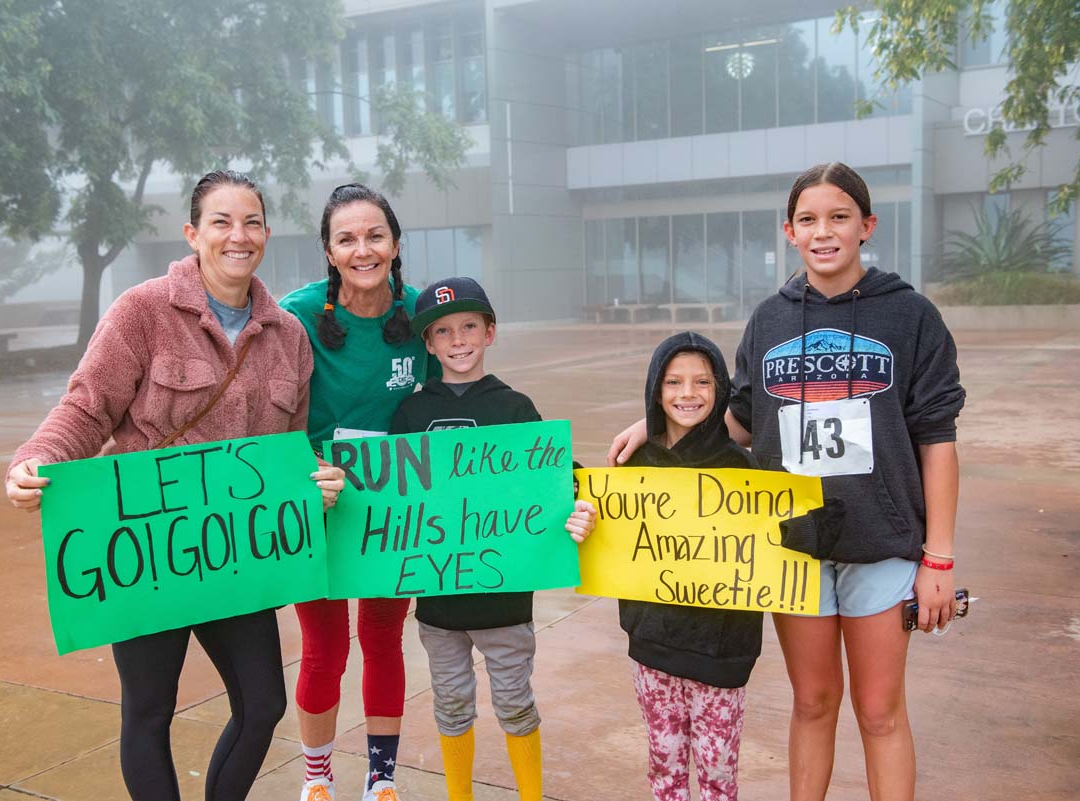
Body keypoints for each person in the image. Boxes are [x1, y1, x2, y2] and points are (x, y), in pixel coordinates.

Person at [608, 163, 965, 801]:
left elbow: (937, 438)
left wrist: (937, 556)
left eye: (838, 217)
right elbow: (740, 417)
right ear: (789, 232)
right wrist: (655, 422)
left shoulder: (911, 316)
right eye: (808, 220)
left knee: (880, 712)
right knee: (813, 702)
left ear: (866, 226)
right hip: (791, 548)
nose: (823, 231)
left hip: (880, 542)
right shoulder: (770, 320)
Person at [4, 170, 346, 801]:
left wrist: (312, 486)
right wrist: (35, 458)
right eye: (221, 222)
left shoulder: (289, 337)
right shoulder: (142, 312)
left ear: (267, 234)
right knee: (150, 711)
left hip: (237, 555)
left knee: (263, 702)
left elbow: (290, 448)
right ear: (193, 233)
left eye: (250, 222)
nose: (237, 236)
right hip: (149, 550)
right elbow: (86, 408)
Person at [390, 276, 597, 801]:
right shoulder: (411, 414)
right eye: (443, 331)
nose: (458, 340)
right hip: (438, 602)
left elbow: (552, 478)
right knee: (451, 703)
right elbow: (386, 494)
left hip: (504, 600)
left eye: (468, 327)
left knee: (514, 702)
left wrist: (578, 501)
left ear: (490, 333)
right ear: (429, 344)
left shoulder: (514, 408)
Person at [280, 183, 440, 801]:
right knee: (323, 650)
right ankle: (317, 777)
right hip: (316, 504)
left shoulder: (423, 311)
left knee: (381, 639)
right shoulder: (294, 315)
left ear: (395, 244)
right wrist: (305, 470)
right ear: (328, 250)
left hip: (390, 512)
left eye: (375, 235)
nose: (362, 249)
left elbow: (465, 382)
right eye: (346, 238)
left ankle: (381, 777)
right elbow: (267, 412)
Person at [616, 331, 763, 801]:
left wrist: (808, 530)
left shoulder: (746, 472)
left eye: (702, 382)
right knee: (664, 770)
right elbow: (616, 540)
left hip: (722, 653)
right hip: (654, 648)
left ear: (720, 389)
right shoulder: (633, 464)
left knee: (718, 775)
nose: (687, 394)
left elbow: (773, 546)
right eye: (674, 382)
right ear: (655, 391)